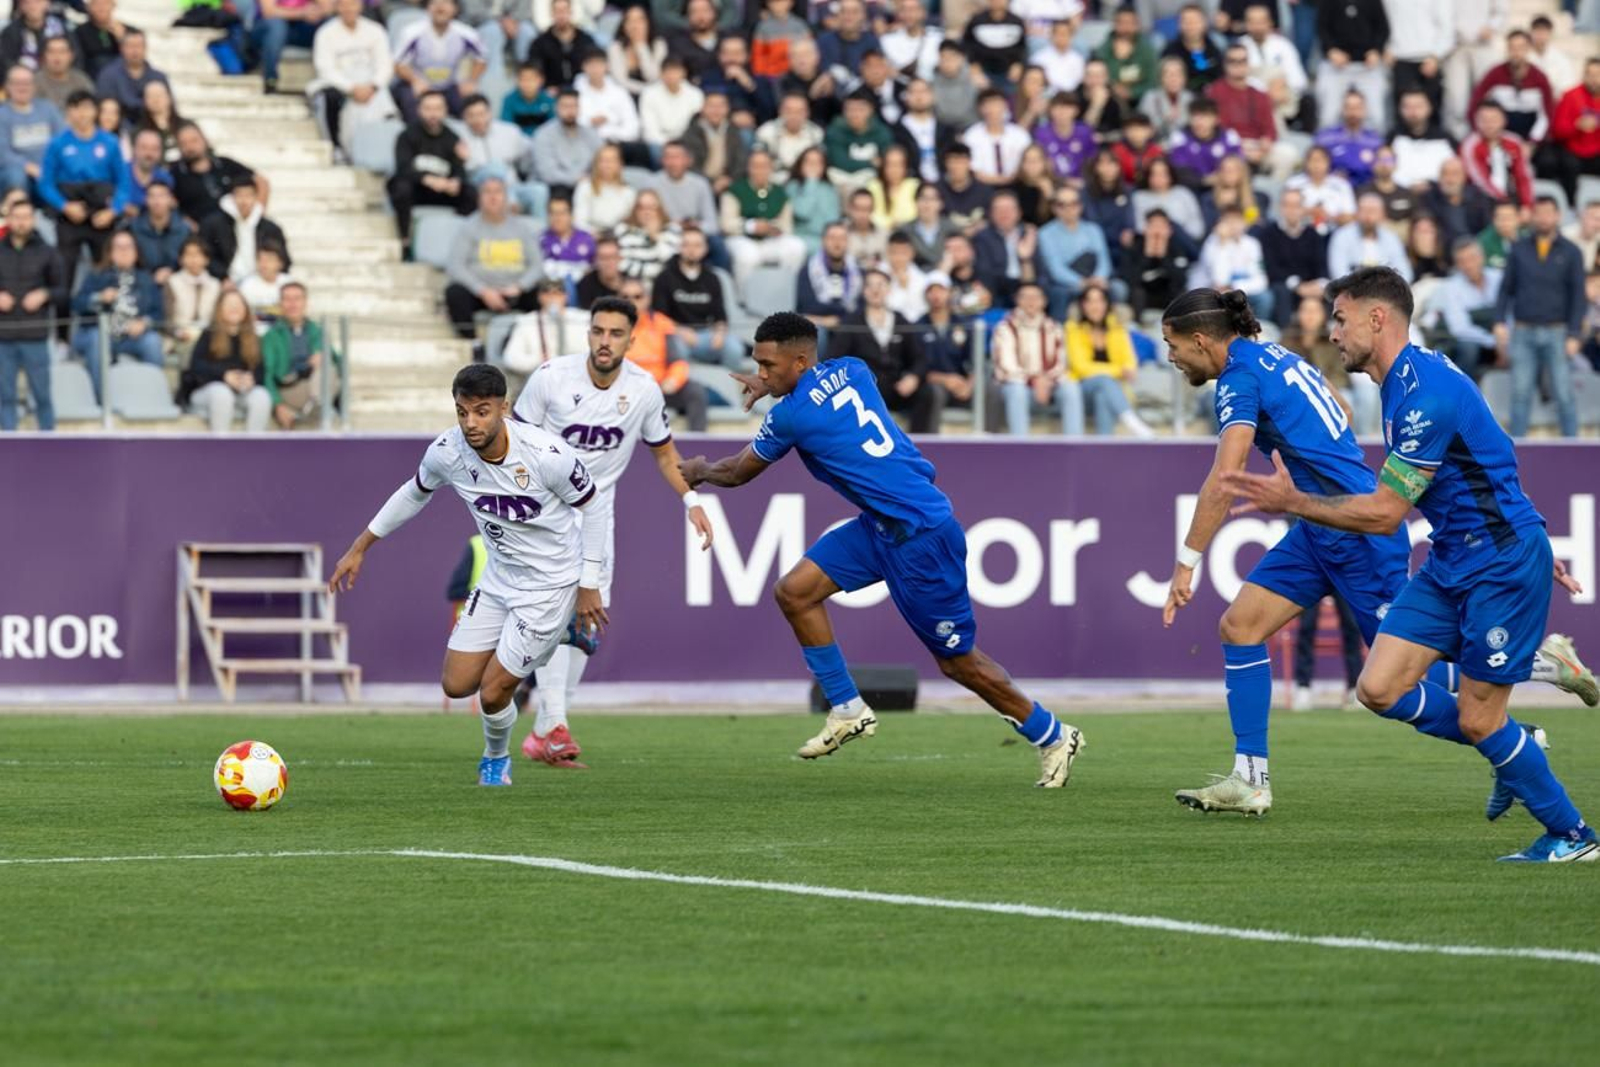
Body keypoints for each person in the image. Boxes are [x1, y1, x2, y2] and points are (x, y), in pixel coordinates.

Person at [1221, 267, 1599, 861]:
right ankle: (1534, 690)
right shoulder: (1403, 381)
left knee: (1478, 719)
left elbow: (1384, 513)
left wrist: (1293, 502)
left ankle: (1572, 835)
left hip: (1497, 565)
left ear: (1377, 319)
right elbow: (1492, 454)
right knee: (1378, 687)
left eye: (1341, 319)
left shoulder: (1425, 395)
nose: (1333, 333)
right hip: (1456, 558)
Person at [678, 312, 1085, 785]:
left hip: (921, 537)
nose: (761, 373)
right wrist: (776, 383)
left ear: (801, 361)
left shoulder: (790, 416)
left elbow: (736, 473)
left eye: (768, 365)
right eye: (758, 365)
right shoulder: (853, 368)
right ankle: (847, 709)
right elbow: (820, 394)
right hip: (880, 527)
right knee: (795, 591)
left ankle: (1053, 734)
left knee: (959, 662)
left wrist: (700, 470)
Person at [1158, 286, 1438, 816]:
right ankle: (1250, 779)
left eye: (1172, 345)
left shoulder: (1238, 378)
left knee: (1402, 680)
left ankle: (1518, 716)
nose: (1170, 357)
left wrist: (1186, 563)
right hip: (1317, 529)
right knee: (1240, 626)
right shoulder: (1276, 354)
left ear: (1200, 340)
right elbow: (1339, 407)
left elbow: (1226, 478)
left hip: (1359, 535)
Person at [327, 363, 610, 787]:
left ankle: (496, 759)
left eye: (482, 411)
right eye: (462, 412)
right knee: (456, 685)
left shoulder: (546, 455)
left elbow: (594, 506)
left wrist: (588, 585)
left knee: (492, 693)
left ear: (504, 408)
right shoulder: (448, 451)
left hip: (550, 587)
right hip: (499, 579)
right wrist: (360, 546)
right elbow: (413, 493)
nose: (471, 423)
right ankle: (561, 635)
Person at [508, 294, 714, 764]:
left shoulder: (643, 390)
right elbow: (512, 441)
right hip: (546, 514)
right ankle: (555, 725)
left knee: (588, 624)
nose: (605, 341)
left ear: (630, 340)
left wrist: (691, 499)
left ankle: (544, 731)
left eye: (615, 333)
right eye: (598, 331)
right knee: (556, 616)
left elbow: (665, 454)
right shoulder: (551, 378)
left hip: (599, 518)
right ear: (588, 334)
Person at [1494, 196, 1587, 439]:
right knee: (1520, 393)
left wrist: (1574, 333)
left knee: (1564, 393)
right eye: (1539, 212)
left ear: (1558, 216)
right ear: (1532, 216)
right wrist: (1499, 321)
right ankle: (1517, 448)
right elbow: (1506, 289)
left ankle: (1573, 447)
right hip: (1523, 331)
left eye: (1548, 212)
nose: (1544, 218)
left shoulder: (1571, 252)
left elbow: (1578, 296)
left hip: (1558, 332)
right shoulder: (1518, 249)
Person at [823, 269, 935, 433]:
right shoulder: (851, 322)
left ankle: (918, 442)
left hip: (896, 388)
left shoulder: (901, 320)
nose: (875, 290)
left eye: (881, 285)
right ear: (864, 291)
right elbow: (833, 358)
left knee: (926, 393)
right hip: (864, 390)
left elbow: (920, 357)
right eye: (870, 286)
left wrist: (913, 377)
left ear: (889, 289)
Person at [442, 176, 542, 340]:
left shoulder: (522, 228)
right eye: (487, 192)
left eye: (497, 192)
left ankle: (533, 340)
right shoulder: (468, 227)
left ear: (506, 197)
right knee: (455, 293)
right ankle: (473, 342)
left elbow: (537, 266)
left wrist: (519, 287)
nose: (493, 197)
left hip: (515, 291)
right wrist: (482, 290)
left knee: (543, 294)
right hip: (480, 293)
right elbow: (455, 265)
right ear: (479, 198)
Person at [40, 91, 128, 275]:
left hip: (101, 214)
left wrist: (113, 211)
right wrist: (64, 206)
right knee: (63, 271)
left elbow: (124, 182)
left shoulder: (110, 143)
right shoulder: (57, 144)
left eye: (87, 108)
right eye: (76, 108)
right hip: (70, 213)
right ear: (68, 112)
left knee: (106, 271)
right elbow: (45, 184)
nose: (81, 113)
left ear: (95, 111)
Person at [72, 228, 163, 395]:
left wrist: (144, 323)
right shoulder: (96, 275)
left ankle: (154, 394)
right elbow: (76, 304)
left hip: (131, 337)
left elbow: (158, 312)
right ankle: (101, 399)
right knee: (97, 339)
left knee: (152, 341)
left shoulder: (146, 279)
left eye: (128, 247)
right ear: (110, 252)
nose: (124, 252)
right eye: (119, 247)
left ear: (136, 252)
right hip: (98, 334)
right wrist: (98, 297)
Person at [0, 197, 62, 431]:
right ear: (8, 219)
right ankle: (7, 444)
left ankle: (49, 443)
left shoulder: (47, 252)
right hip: (3, 336)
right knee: (5, 397)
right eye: (17, 217)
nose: (21, 222)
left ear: (33, 220)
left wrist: (44, 294)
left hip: (35, 336)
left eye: (26, 217)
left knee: (42, 396)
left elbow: (63, 291)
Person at [617, 277, 708, 431]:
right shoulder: (610, 327)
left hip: (659, 387)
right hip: (625, 390)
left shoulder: (662, 323)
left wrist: (673, 381)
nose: (631, 302)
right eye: (626, 297)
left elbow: (678, 361)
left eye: (637, 296)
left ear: (647, 299)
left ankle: (698, 441)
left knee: (695, 391)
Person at [309, 0, 398, 156]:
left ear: (360, 6)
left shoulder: (375, 30)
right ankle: (336, 147)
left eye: (353, 4)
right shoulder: (325, 33)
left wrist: (373, 86)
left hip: (370, 84)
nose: (349, 9)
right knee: (329, 97)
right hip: (339, 83)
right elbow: (324, 68)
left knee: (389, 98)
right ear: (337, 7)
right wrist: (351, 88)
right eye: (344, 5)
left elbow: (385, 65)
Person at [387, 89, 474, 246]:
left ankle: (458, 237)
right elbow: (403, 168)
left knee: (471, 193)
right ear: (419, 110)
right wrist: (428, 179)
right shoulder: (406, 135)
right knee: (400, 187)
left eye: (438, 108)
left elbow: (459, 170)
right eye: (428, 108)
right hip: (416, 189)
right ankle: (405, 240)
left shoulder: (453, 138)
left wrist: (455, 181)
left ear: (445, 110)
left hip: (443, 192)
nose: (433, 114)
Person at [1065, 283, 1152, 438]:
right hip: (1081, 390)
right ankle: (1132, 421)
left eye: (1099, 301)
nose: (1095, 306)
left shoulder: (1117, 328)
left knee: (1103, 395)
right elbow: (1080, 367)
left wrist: (1125, 369)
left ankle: (1104, 442)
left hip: (1110, 391)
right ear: (1082, 305)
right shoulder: (1073, 328)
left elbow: (1129, 361)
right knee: (1104, 381)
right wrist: (1118, 371)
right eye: (1090, 301)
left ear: (1106, 304)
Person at [992, 281, 1078, 435]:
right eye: (1025, 297)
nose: (1031, 301)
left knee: (1070, 388)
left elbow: (1060, 363)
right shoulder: (1004, 328)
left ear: (1044, 301)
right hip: (1017, 387)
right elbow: (1006, 366)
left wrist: (1045, 381)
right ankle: (1020, 444)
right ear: (1017, 300)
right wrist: (1034, 381)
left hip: (1048, 386)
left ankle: (1076, 443)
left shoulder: (1054, 327)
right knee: (1017, 391)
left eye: (1036, 297)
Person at [651, 225, 742, 366]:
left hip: (705, 334)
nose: (692, 250)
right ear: (679, 247)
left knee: (734, 348)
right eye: (686, 245)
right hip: (676, 334)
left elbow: (720, 315)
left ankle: (728, 379)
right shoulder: (664, 277)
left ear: (705, 249)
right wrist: (679, 331)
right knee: (677, 350)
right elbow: (658, 316)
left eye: (697, 245)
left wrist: (719, 333)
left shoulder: (713, 278)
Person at [184, 290, 273, 433]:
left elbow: (260, 370)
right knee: (222, 393)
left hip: (241, 392)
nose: (234, 307)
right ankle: (221, 442)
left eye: (238, 304)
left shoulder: (253, 338)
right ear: (220, 309)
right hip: (208, 392)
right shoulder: (209, 334)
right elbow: (196, 367)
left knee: (261, 396)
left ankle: (255, 443)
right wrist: (224, 376)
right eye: (229, 304)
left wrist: (251, 379)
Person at [721, 148, 807, 289]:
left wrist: (772, 227)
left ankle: (786, 292)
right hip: (742, 238)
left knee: (796, 247)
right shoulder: (735, 190)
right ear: (749, 168)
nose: (760, 170)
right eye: (756, 166)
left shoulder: (780, 193)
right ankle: (743, 297)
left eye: (764, 166)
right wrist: (751, 226)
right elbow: (726, 224)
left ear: (771, 168)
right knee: (747, 256)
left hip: (770, 239)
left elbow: (787, 226)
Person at [392, 0, 487, 121]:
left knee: (470, 106)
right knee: (410, 104)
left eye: (446, 3)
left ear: (455, 9)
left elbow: (481, 58)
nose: (440, 7)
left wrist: (471, 80)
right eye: (435, 2)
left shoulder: (466, 33)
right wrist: (415, 80)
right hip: (418, 83)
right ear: (427, 8)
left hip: (449, 85)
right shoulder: (412, 32)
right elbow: (398, 64)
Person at [262, 281, 341, 428]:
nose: (292, 304)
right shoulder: (271, 336)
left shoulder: (317, 331)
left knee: (327, 367)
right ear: (280, 304)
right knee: (326, 373)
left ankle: (316, 406)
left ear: (305, 302)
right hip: (289, 386)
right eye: (287, 299)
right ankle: (318, 409)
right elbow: (267, 373)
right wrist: (277, 404)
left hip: (315, 383)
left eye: (297, 299)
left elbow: (338, 362)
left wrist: (326, 357)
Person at [1425, 237, 1501, 381]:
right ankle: (1465, 390)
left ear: (1482, 257)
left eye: (1472, 258)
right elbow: (1460, 328)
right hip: (1474, 341)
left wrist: (1505, 341)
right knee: (1468, 348)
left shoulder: (1498, 278)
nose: (1468, 265)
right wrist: (1493, 342)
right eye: (1462, 261)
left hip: (1502, 336)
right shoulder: (1451, 287)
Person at [1313, 0, 1389, 136]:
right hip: (1335, 66)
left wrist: (1377, 50)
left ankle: (1374, 146)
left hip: (1367, 66)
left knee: (1377, 117)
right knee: (1328, 116)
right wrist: (1331, 50)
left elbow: (1383, 28)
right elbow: (1321, 27)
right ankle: (1328, 147)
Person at [1254, 187, 1327, 327]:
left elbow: (1321, 265)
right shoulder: (1268, 234)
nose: (1291, 210)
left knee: (1329, 291)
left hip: (1310, 284)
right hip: (1284, 284)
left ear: (1303, 208)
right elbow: (1272, 268)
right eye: (1287, 205)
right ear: (1280, 208)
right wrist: (1297, 286)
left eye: (1296, 205)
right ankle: (1286, 335)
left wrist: (1319, 284)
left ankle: (1324, 335)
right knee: (1281, 292)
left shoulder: (1313, 234)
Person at [1467, 30, 1555, 146]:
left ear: (1528, 49)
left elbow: (1548, 113)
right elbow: (1476, 104)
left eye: (1521, 48)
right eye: (1512, 48)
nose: (1516, 52)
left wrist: (1533, 142)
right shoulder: (1495, 74)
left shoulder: (1539, 78)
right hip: (1499, 137)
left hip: (1531, 137)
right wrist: (1484, 135)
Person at [170, 123, 268, 225]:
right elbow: (171, 204)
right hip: (201, 230)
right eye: (183, 143)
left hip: (235, 227)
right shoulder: (176, 174)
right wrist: (191, 227)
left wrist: (256, 216)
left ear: (205, 140)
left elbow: (261, 182)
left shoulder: (225, 164)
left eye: (194, 141)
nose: (190, 147)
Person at [199, 182, 289, 284]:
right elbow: (206, 255)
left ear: (256, 197)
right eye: (239, 195)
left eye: (248, 195)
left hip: (262, 281)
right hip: (225, 281)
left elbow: (284, 259)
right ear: (232, 197)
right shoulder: (214, 224)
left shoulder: (270, 228)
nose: (244, 201)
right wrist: (223, 277)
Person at [0, 66, 64, 198]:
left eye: (26, 83)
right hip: (16, 170)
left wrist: (50, 165)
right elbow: (3, 153)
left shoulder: (48, 109)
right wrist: (29, 167)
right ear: (8, 86)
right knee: (16, 175)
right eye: (17, 83)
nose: (22, 87)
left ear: (34, 86)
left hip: (48, 165)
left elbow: (62, 139)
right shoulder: (2, 114)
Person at [1460, 102, 1534, 211]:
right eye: (1484, 120)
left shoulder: (1515, 142)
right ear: (1476, 121)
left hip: (1511, 199)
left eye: (1494, 120)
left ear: (1504, 120)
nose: (1489, 124)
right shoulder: (1470, 145)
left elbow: (1524, 175)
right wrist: (1504, 202)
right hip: (1481, 201)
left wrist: (1526, 205)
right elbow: (1479, 180)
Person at [1327, 192, 1413, 283]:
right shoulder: (1342, 236)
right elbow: (1338, 272)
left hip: (1385, 288)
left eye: (1373, 211)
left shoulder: (1391, 238)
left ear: (1383, 214)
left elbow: (1405, 273)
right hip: (1352, 288)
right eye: (1364, 210)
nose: (1368, 216)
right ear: (1356, 213)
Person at [1549, 59, 1600, 208]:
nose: (1593, 79)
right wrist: (1576, 125)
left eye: (1597, 74)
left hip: (1596, 151)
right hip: (1573, 149)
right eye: (1589, 74)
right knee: (1567, 165)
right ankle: (1570, 206)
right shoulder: (1570, 95)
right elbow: (1557, 130)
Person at [1123, 208, 1191, 320]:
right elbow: (1130, 281)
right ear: (1145, 229)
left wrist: (1163, 258)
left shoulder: (1177, 248)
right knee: (1137, 293)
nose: (1157, 232)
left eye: (1161, 227)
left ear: (1169, 230)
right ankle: (1139, 326)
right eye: (1153, 226)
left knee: (1182, 294)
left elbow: (1181, 280)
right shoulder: (1134, 248)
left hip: (1167, 295)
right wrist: (1147, 256)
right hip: (1144, 297)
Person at [253, 0, 332, 95]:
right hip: (270, 28)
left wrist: (315, 12)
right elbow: (269, 11)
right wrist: (302, 13)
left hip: (302, 28)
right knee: (277, 26)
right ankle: (270, 81)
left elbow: (328, 8)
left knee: (329, 23)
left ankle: (330, 81)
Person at [94, 30, 168, 127]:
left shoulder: (158, 77)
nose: (135, 51)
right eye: (130, 46)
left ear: (145, 48)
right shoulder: (108, 76)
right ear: (121, 48)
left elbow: (169, 109)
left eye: (139, 46)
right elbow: (103, 110)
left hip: (152, 129)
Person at [962, 88, 1030, 186]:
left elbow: (1028, 162)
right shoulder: (971, 136)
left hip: (1017, 183)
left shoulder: (1019, 134)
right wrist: (997, 181)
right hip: (982, 185)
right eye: (988, 104)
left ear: (1005, 106)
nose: (993, 109)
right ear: (980, 108)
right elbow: (972, 169)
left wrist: (1011, 179)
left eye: (997, 104)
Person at [165, 237, 220, 353]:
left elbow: (217, 317)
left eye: (198, 254)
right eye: (189, 254)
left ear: (207, 259)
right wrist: (178, 333)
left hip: (208, 336)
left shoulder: (215, 285)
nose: (193, 259)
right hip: (179, 337)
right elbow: (168, 317)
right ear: (181, 259)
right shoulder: (172, 282)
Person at [614, 188, 680, 283]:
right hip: (632, 282)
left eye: (651, 207)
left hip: (664, 283)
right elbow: (622, 264)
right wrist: (654, 271)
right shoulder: (623, 230)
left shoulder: (672, 229)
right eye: (641, 208)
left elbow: (672, 261)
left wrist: (656, 237)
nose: (646, 212)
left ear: (659, 210)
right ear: (635, 210)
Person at [960, 0, 1027, 92]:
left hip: (1009, 74)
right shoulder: (977, 21)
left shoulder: (1016, 22)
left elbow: (1022, 46)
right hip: (983, 71)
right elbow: (967, 44)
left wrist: (1018, 64)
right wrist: (973, 65)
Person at [609, 3, 668, 95]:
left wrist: (641, 47)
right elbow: (619, 81)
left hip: (655, 96)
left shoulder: (659, 44)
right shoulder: (616, 47)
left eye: (640, 20)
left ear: (648, 23)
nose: (635, 26)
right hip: (625, 95)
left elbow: (653, 77)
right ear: (624, 26)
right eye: (630, 21)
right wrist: (646, 91)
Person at [73, 0, 132, 82]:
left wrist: (122, 39)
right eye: (96, 4)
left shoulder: (126, 30)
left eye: (105, 3)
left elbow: (134, 61)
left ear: (113, 6)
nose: (101, 8)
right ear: (88, 7)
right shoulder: (79, 32)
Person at [36, 36, 94, 117]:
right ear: (44, 56)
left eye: (62, 52)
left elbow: (91, 108)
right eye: (51, 51)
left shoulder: (81, 80)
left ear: (71, 56)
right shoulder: (35, 82)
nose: (57, 56)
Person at [501, 62, 556, 134]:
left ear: (541, 80)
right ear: (517, 80)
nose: (527, 83)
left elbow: (554, 127)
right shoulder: (509, 100)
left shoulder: (549, 100)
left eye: (531, 79)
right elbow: (506, 127)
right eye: (523, 79)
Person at [576, 235, 625, 306]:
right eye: (603, 258)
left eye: (612, 257)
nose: (608, 262)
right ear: (595, 260)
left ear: (620, 258)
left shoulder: (630, 283)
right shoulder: (586, 285)